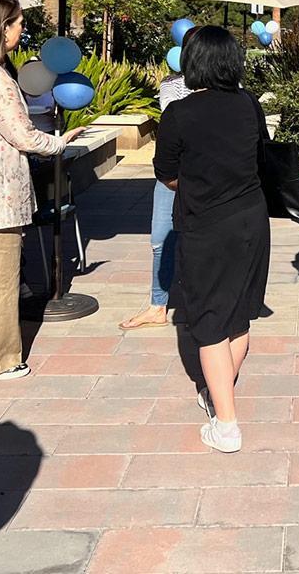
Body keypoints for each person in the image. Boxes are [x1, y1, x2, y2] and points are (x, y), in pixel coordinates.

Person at [0, 0, 85, 381]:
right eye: (18, 23)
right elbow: (21, 133)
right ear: (1, 27)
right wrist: (59, 142)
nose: (22, 30)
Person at [153, 25, 270, 453]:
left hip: (206, 224)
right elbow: (261, 159)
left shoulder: (179, 114)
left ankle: (227, 423)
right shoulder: (249, 106)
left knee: (207, 323)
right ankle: (217, 393)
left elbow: (166, 172)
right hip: (252, 220)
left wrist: (195, 184)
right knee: (238, 315)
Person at [119, 53, 193, 330]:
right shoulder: (171, 84)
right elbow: (175, 122)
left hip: (204, 175)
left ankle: (199, 302)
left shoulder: (227, 90)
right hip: (173, 173)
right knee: (161, 237)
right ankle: (157, 304)